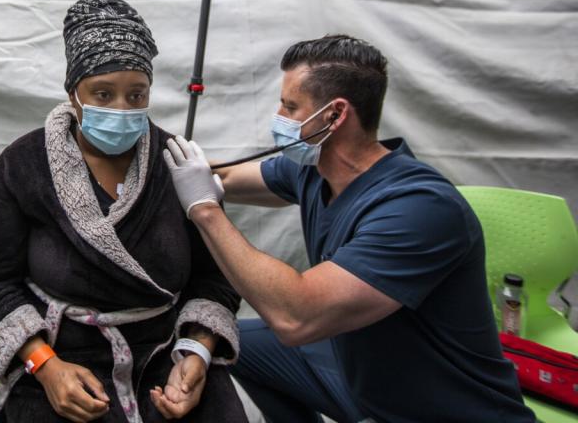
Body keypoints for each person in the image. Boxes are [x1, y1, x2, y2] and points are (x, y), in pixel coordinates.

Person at [163, 34, 534, 423]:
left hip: (443, 408)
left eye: (290, 106)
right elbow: (226, 177)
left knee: (284, 324)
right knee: (239, 344)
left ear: (334, 115)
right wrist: (157, 165)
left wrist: (205, 209)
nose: (280, 117)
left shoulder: (419, 208)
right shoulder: (313, 170)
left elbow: (295, 317)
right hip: (366, 382)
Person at [0, 0, 248, 423]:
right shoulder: (21, 167)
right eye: (103, 93)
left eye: (137, 96)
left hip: (164, 350)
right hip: (60, 352)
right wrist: (45, 367)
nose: (122, 109)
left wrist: (196, 351)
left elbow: (216, 278)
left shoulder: (174, 164)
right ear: (73, 94)